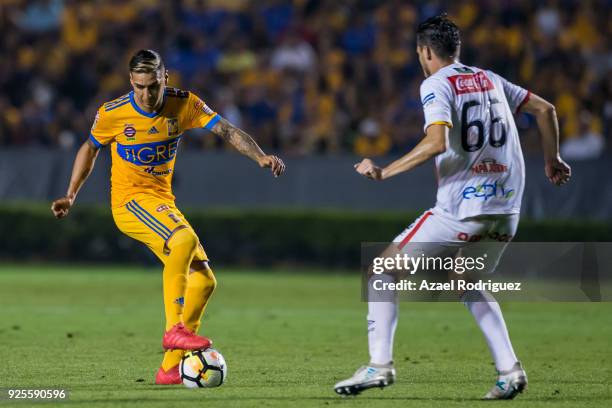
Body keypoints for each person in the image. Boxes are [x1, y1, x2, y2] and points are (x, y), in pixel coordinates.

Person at [334, 15, 570, 399]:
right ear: (456, 49)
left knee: (382, 272)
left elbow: (436, 143)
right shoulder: (492, 79)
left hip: (462, 210)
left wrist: (384, 172)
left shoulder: (436, 84)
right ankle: (510, 372)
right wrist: (552, 159)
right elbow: (546, 111)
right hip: (506, 212)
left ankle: (379, 365)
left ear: (424, 52)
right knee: (467, 283)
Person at [51, 49, 285, 385]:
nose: (145, 95)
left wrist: (260, 157)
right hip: (129, 202)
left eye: (152, 86)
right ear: (131, 82)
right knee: (184, 239)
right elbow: (89, 148)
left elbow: (228, 131)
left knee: (205, 281)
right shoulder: (112, 113)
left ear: (165, 78)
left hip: (162, 202)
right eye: (138, 86)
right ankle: (174, 330)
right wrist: (71, 194)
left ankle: (169, 368)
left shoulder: (184, 103)